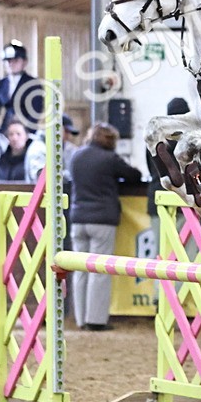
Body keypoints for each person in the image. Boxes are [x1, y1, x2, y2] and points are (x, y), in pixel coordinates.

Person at [68, 122, 142, 331]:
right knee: (99, 270)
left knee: (80, 270)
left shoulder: (77, 156)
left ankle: (80, 319)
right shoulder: (109, 159)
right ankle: (96, 320)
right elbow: (133, 175)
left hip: (78, 217)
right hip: (102, 219)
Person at [146, 97, 191, 246]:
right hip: (185, 201)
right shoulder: (190, 139)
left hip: (159, 199)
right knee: (187, 254)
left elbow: (150, 167)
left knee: (162, 252)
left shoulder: (154, 138)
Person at [0, 40, 45, 133]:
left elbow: (36, 111)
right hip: (5, 129)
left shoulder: (33, 83)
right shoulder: (2, 83)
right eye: (8, 61)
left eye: (15, 60)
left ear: (24, 62)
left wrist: (26, 131)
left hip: (26, 130)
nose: (11, 64)